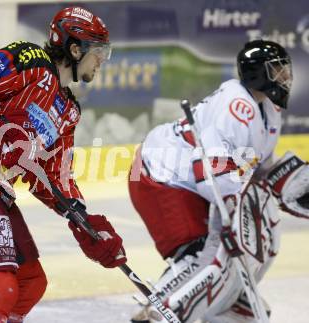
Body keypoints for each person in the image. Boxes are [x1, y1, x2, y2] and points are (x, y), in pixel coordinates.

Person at [0, 6, 126, 323]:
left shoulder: (68, 111)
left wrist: (85, 220)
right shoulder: (30, 60)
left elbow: (55, 175)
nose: (102, 61)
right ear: (74, 48)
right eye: (99, 52)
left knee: (30, 283)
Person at [128, 39, 309, 322]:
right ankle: (157, 313)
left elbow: (259, 168)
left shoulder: (269, 111)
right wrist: (233, 214)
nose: (285, 77)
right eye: (277, 70)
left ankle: (205, 304)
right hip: (161, 174)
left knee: (228, 276)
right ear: (258, 73)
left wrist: (287, 181)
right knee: (201, 252)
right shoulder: (236, 106)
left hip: (186, 179)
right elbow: (213, 177)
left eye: (285, 70)